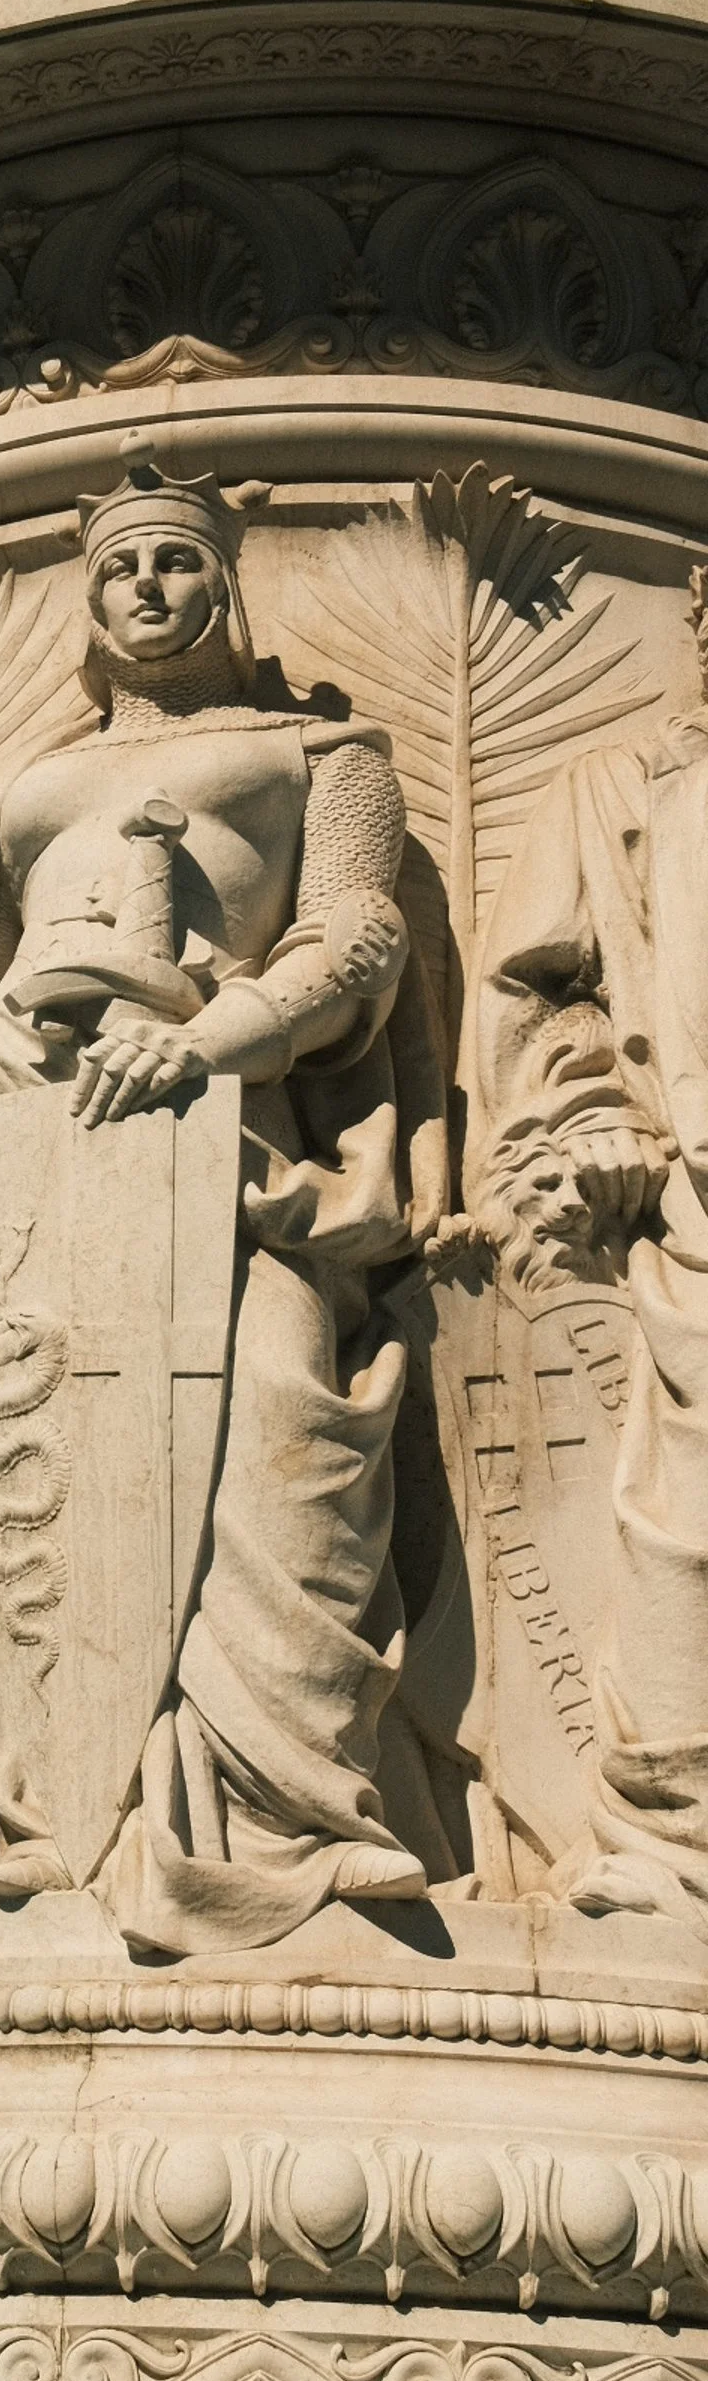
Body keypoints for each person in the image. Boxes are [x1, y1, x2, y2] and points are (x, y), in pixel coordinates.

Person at [0, 456, 449, 1953]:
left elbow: (359, 937)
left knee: (286, 1433)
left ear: (225, 583)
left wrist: (216, 1038)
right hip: (34, 1166)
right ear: (87, 603)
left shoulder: (324, 756)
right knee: (25, 1477)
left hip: (242, 1151)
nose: (147, 588)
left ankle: (284, 1805)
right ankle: (45, 1813)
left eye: (176, 562)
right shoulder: (25, 789)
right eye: (119, 568)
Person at [468, 581, 708, 1934]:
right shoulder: (618, 789)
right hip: (686, 1224)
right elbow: (525, 999)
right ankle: (674, 1844)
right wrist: (598, 1114)